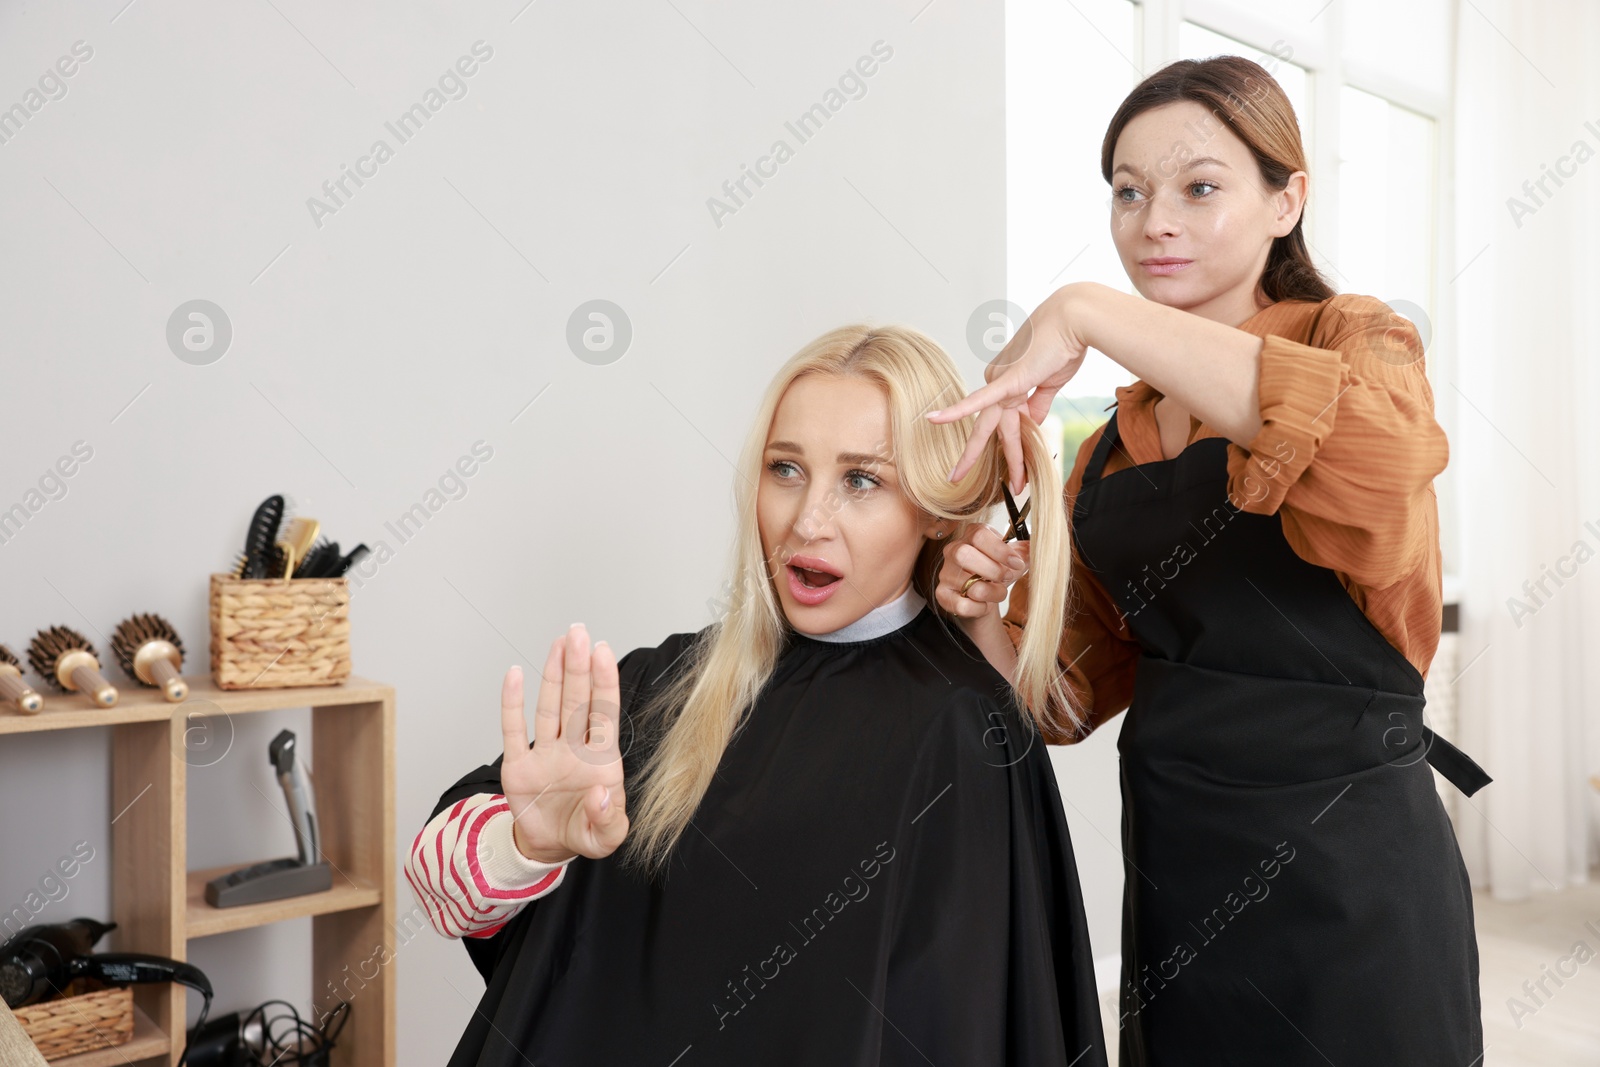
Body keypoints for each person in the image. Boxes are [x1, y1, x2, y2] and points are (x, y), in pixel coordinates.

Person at [926, 56, 1492, 1065]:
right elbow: (1060, 702)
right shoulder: (1103, 447)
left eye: (1198, 186)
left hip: (1352, 875)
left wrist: (1091, 312)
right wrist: (980, 614)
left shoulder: (1357, 341)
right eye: (1128, 191)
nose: (1154, 222)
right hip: (1182, 878)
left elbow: (1376, 467)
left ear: (1287, 199)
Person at [407, 324, 1110, 1066]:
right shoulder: (661, 684)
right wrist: (527, 844)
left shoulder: (961, 728)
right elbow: (440, 890)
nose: (808, 521)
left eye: (861, 479)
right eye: (786, 469)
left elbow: (959, 1025)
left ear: (936, 507)